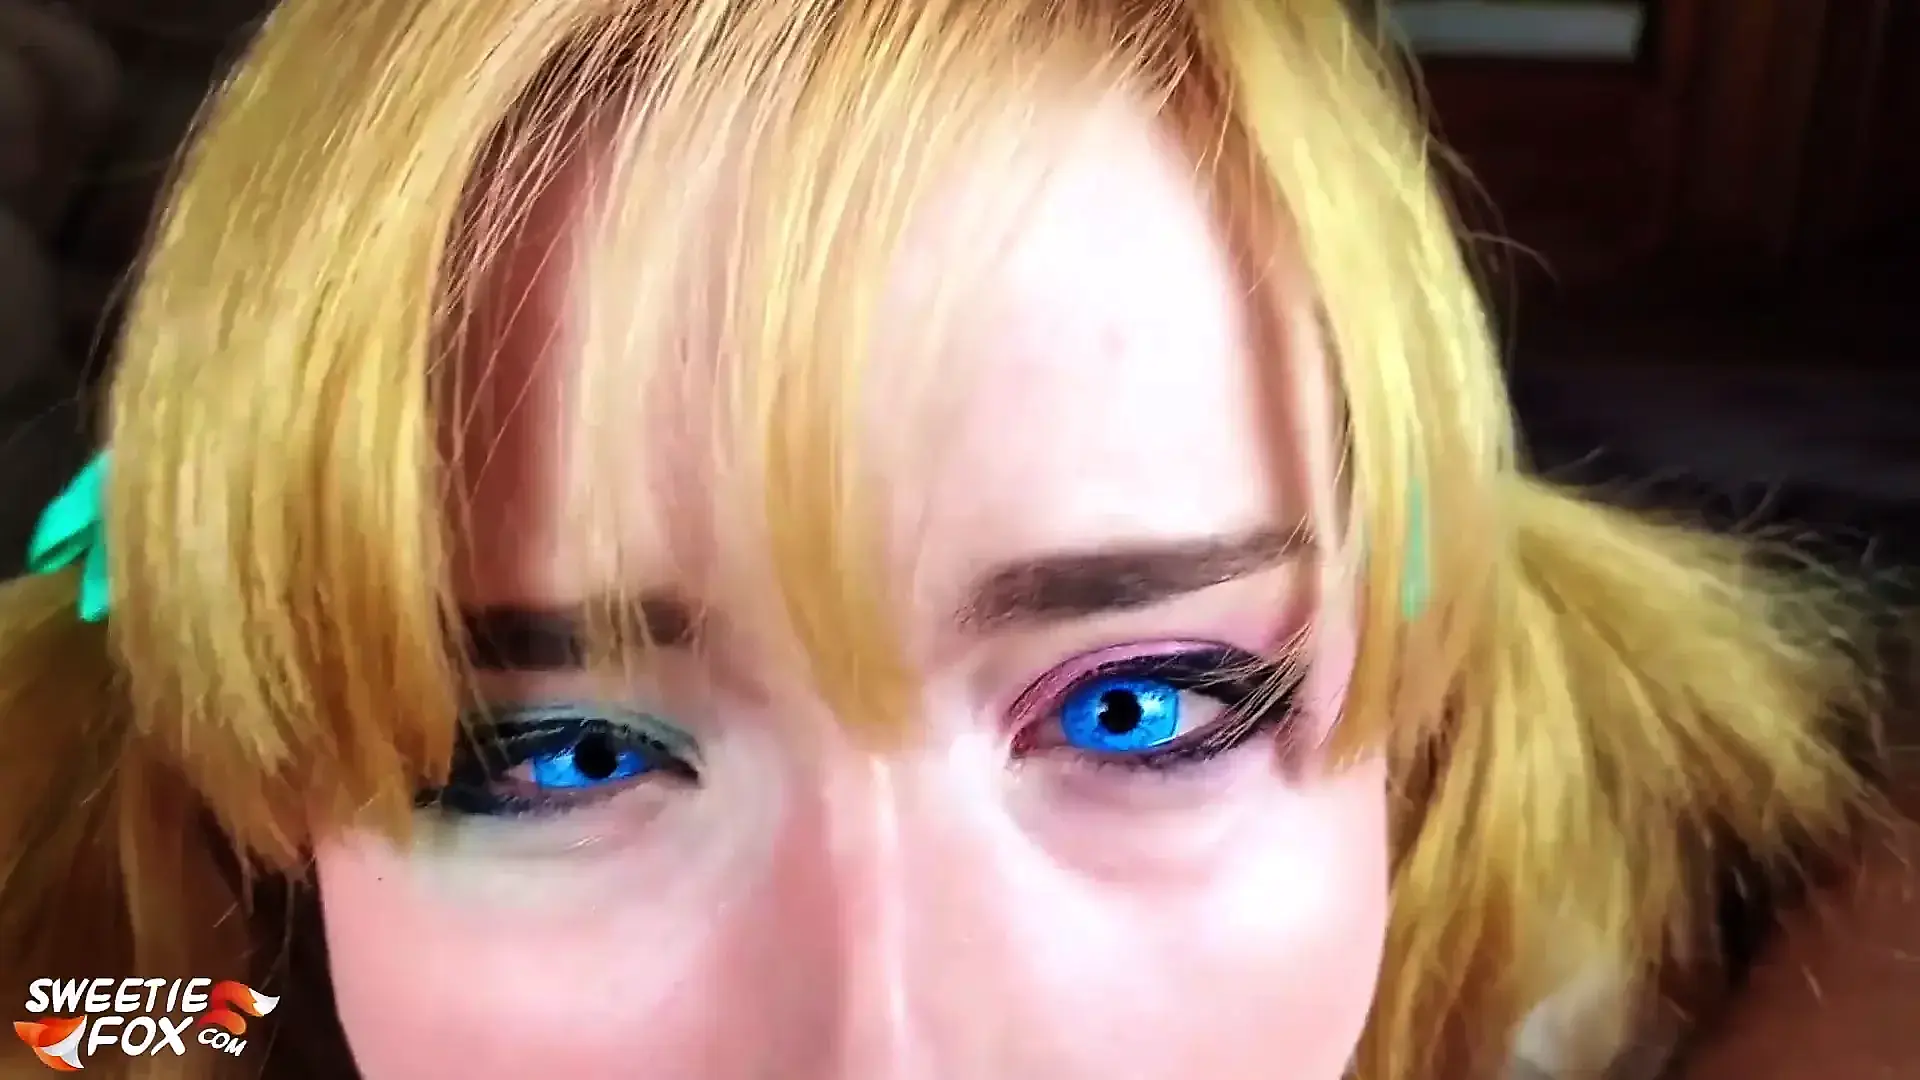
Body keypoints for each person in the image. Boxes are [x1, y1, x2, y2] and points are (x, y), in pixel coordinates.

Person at [0, 1, 1883, 1077]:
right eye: (560, 754)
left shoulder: (1690, 915)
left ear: (1412, 632)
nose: (887, 1045)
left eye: (1143, 705)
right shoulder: (157, 984)